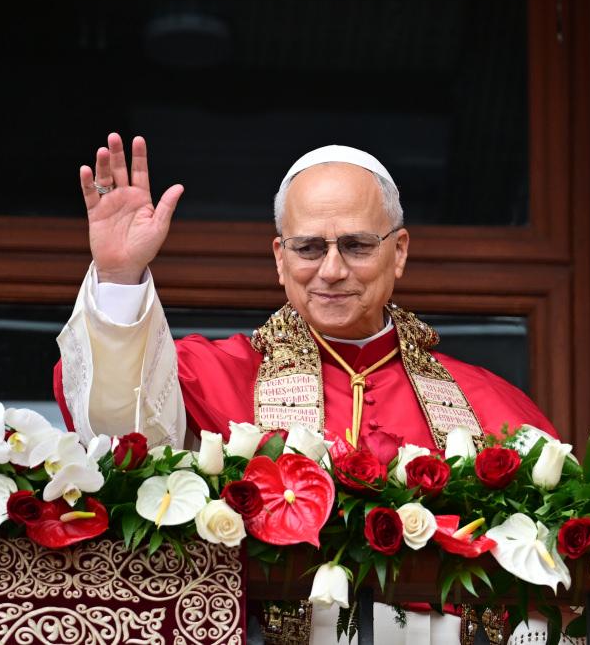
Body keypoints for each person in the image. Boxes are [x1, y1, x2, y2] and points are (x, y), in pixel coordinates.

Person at [52, 134, 557, 644]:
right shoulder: (212, 375)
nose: (331, 271)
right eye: (309, 248)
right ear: (280, 258)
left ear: (399, 251)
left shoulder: (489, 402)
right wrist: (120, 276)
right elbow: (123, 433)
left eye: (356, 246)